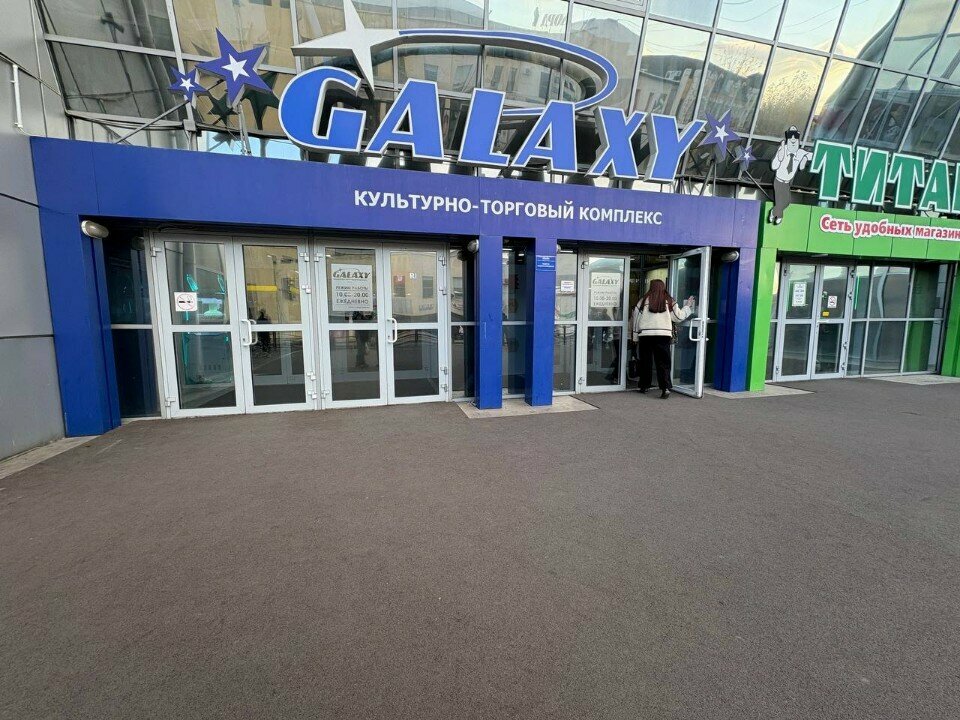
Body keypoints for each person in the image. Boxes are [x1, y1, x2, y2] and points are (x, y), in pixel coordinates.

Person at [631, 279, 695, 399]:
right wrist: (687, 306)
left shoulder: (643, 300)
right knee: (663, 363)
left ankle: (644, 386)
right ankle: (665, 388)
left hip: (645, 335)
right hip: (663, 336)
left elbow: (636, 320)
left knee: (645, 362)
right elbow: (678, 317)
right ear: (663, 287)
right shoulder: (669, 300)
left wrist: (634, 337)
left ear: (651, 287)